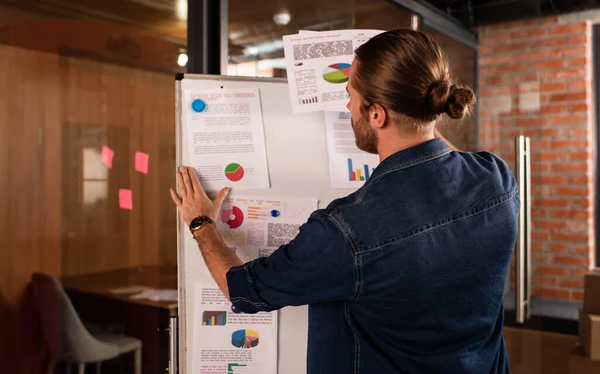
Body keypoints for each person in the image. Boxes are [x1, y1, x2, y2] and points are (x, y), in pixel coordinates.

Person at [171, 29, 519, 374]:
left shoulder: (347, 232)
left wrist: (202, 224)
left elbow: (242, 290)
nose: (347, 104)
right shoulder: (497, 180)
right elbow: (437, 151)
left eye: (351, 93)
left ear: (377, 114)